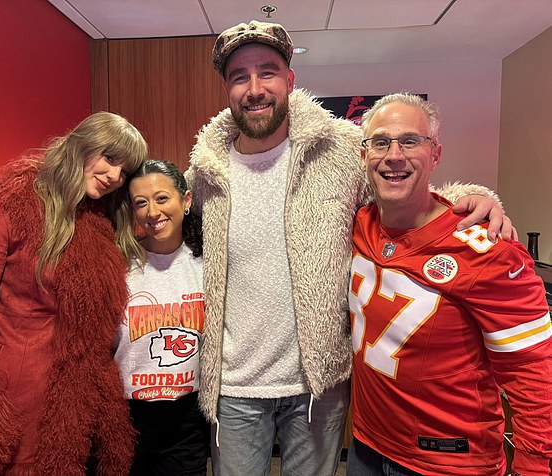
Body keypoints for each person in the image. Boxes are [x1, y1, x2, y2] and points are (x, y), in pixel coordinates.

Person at [186, 20, 513, 476]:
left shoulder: (339, 150)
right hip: (234, 386)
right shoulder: (206, 170)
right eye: (240, 76)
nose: (255, 88)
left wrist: (475, 197)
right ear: (227, 87)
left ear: (290, 80)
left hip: (319, 386)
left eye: (268, 72)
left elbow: (402, 194)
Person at [0, 112, 149, 475]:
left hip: (78, 403)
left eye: (125, 170)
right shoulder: (5, 205)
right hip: (16, 404)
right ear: (81, 145)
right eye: (110, 158)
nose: (115, 176)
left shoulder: (97, 215)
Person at [348, 92, 552, 475]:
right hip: (367, 446)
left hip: (448, 463)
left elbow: (534, 373)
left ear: (435, 154)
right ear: (364, 156)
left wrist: (533, 465)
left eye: (410, 141)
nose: (394, 155)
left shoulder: (489, 250)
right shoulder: (359, 223)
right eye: (380, 142)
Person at [115, 160, 209, 476]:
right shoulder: (120, 264)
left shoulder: (208, 264)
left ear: (186, 200)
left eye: (161, 198)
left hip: (186, 420)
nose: (152, 212)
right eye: (141, 203)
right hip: (126, 418)